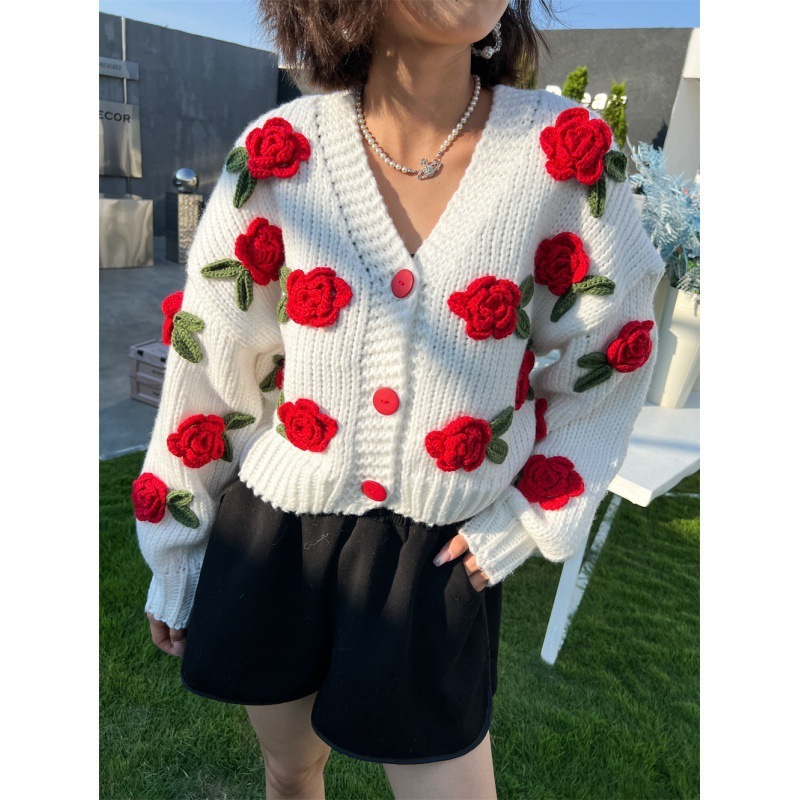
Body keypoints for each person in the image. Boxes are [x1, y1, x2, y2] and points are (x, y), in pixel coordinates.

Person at [131, 1, 665, 797]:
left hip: (439, 559)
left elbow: (611, 356)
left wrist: (529, 516)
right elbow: (211, 364)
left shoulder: (564, 157)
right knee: (290, 773)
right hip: (275, 540)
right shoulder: (281, 155)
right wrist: (176, 554)